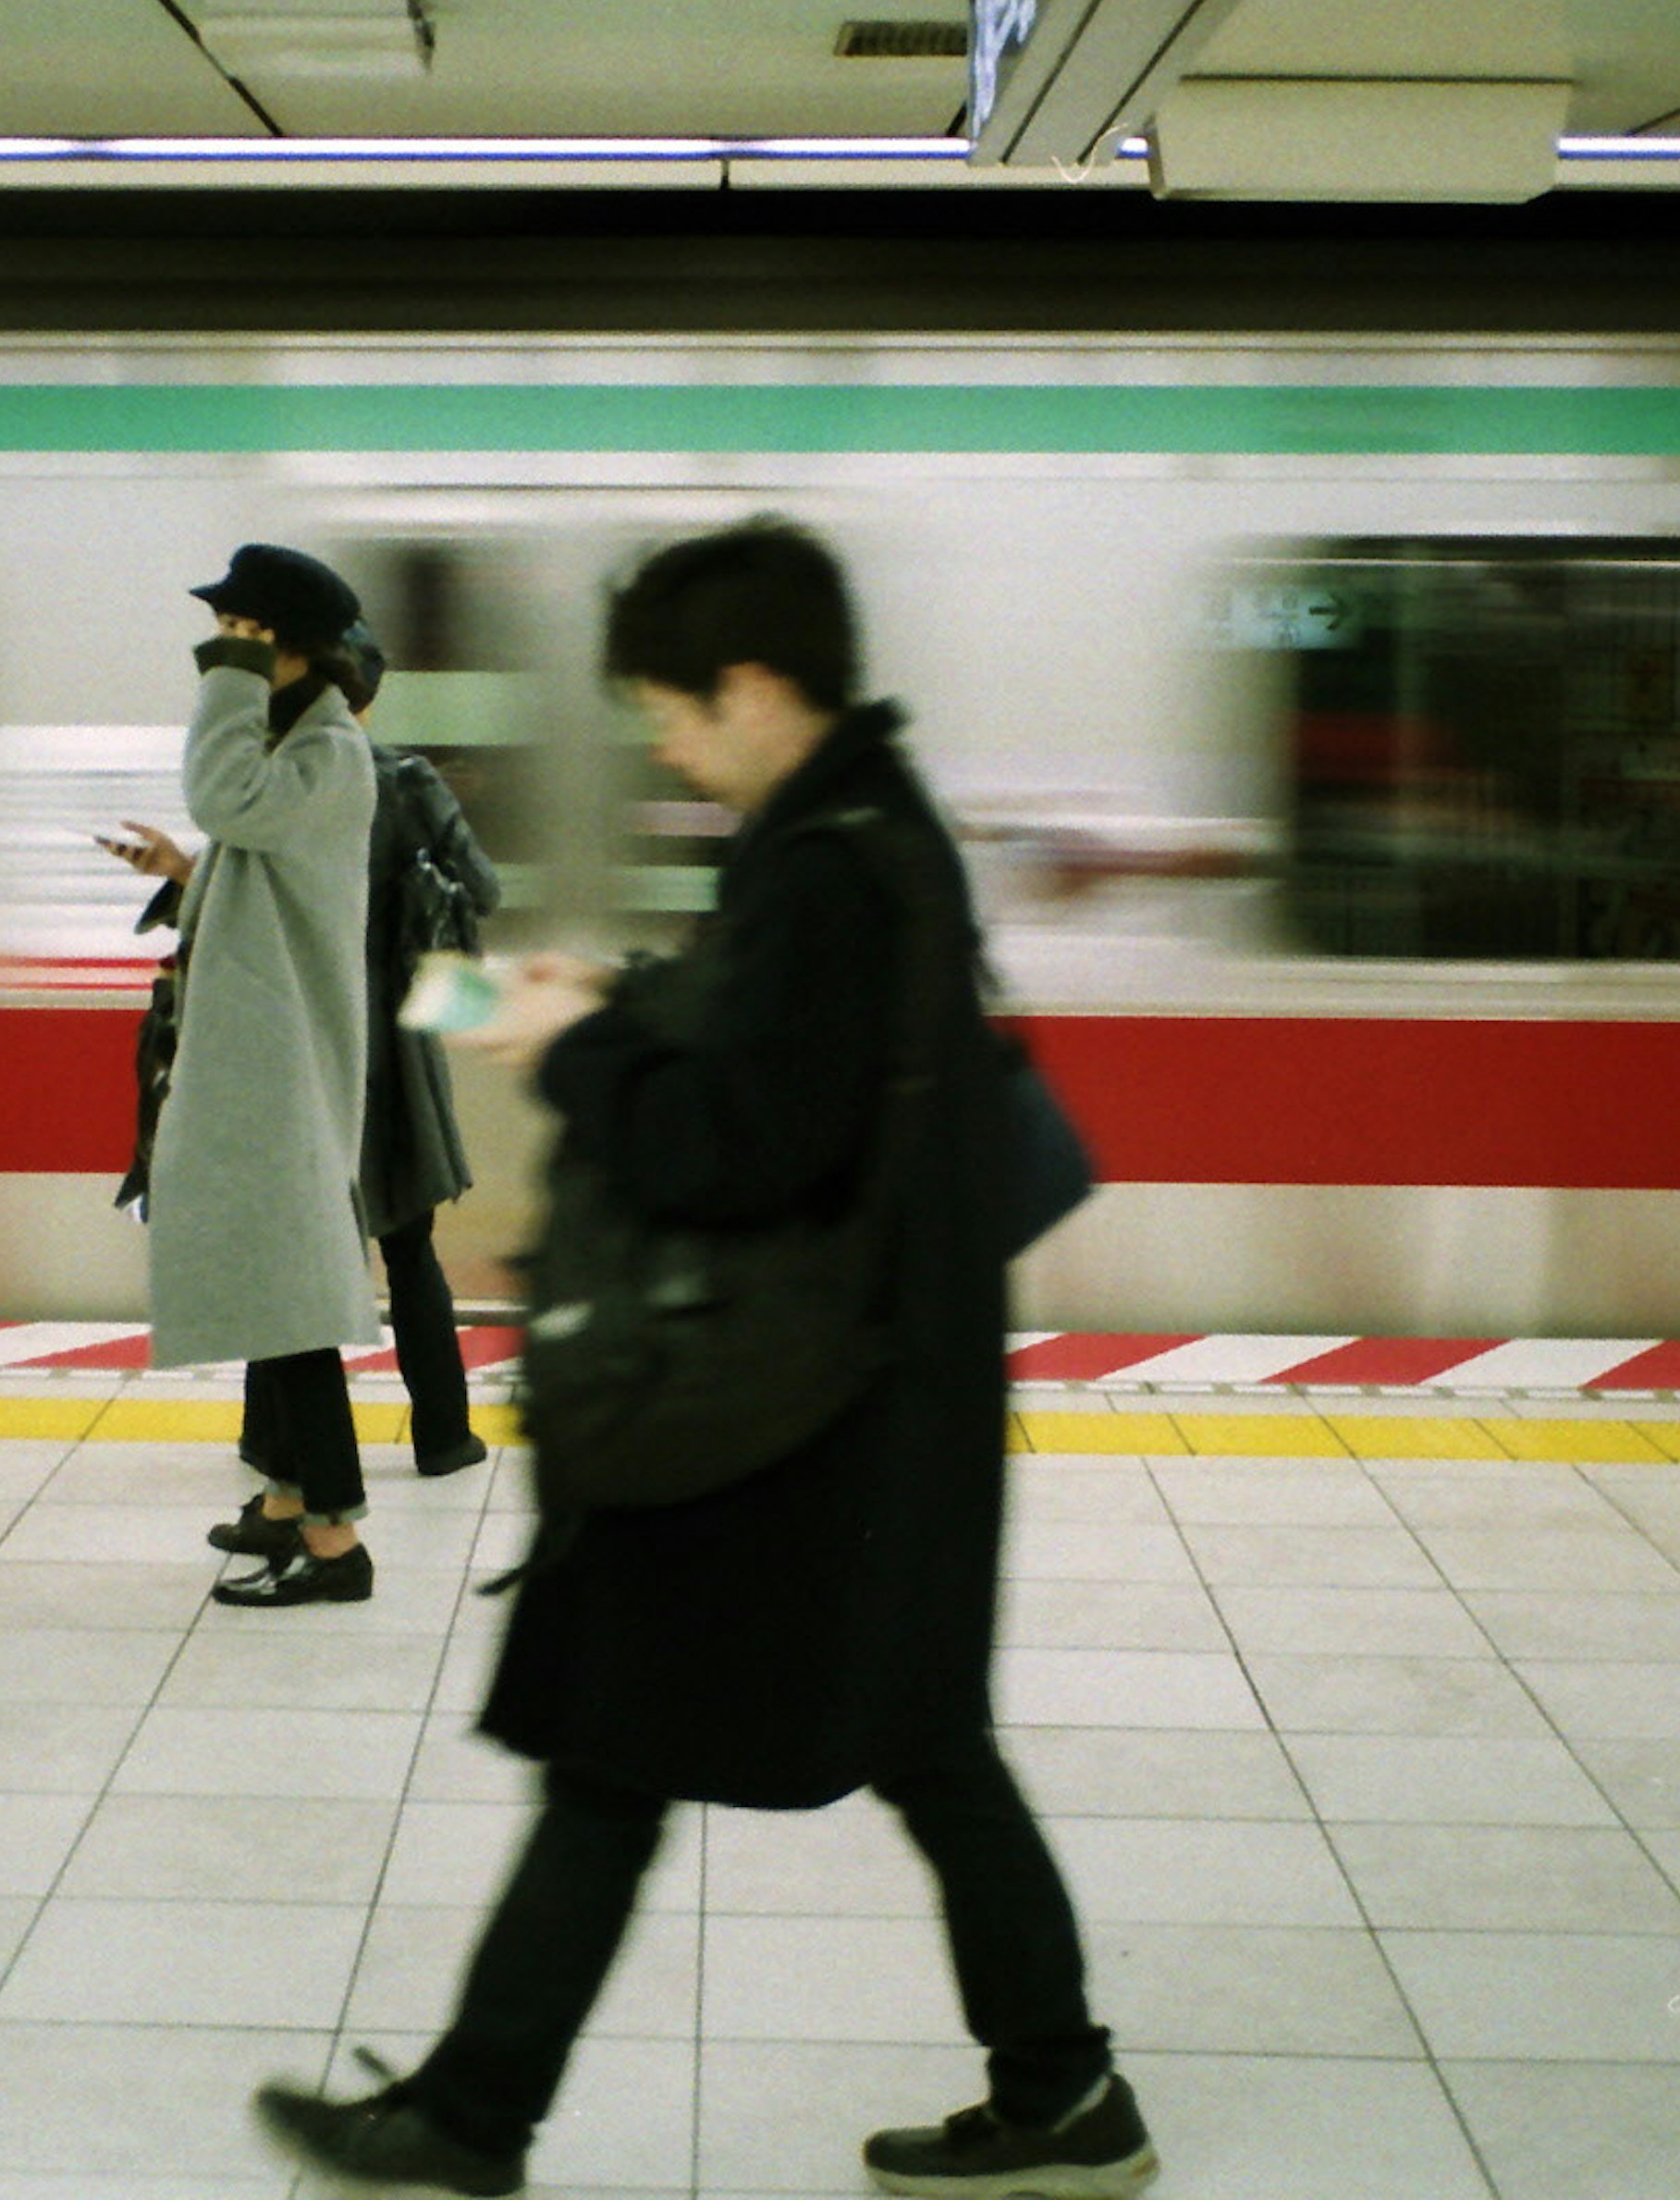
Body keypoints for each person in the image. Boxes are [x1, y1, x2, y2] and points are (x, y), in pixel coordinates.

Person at [254, 522, 1154, 2195]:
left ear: (750, 689)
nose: (663, 743)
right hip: (890, 1398)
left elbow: (731, 1150)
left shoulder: (822, 866)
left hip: (800, 1418)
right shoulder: (872, 831)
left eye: (670, 710)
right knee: (918, 1742)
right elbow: (805, 1063)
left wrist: (569, 1039)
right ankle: (1061, 2095)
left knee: (617, 1745)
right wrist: (624, 992)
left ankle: (469, 2120)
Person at [129, 542, 383, 1608]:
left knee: (291, 1302)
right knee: (267, 1290)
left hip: (281, 1070)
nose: (220, 649)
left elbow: (226, 796)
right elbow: (257, 874)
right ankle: (285, 1501)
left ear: (283, 645)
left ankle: (336, 1545)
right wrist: (187, 876)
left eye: (239, 633)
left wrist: (223, 682)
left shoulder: (332, 756)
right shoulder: (300, 755)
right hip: (258, 1059)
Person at [330, 621, 501, 1478]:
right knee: (408, 1246)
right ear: (372, 692)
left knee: (303, 1249)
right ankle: (443, 1436)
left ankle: (272, 1443)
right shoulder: (405, 780)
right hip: (394, 1049)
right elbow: (484, 887)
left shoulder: (276, 785)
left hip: (310, 1044)